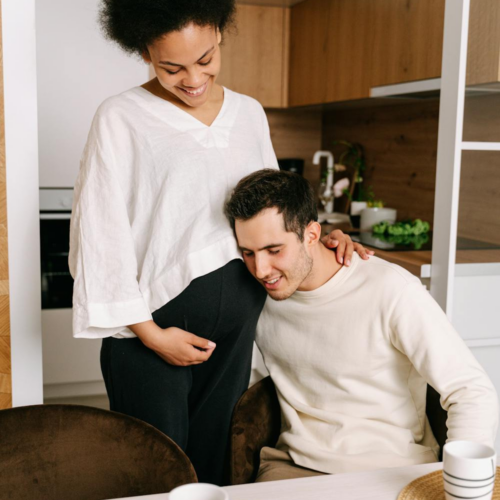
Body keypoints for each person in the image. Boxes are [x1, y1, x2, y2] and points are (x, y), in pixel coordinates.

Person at [68, 0, 371, 485]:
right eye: (172, 67)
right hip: (152, 332)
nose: (192, 79)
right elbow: (101, 233)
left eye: (205, 59)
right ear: (144, 51)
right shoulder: (121, 117)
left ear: (220, 37)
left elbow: (275, 204)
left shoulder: (248, 113)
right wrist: (150, 335)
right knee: (155, 471)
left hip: (234, 332)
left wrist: (319, 235)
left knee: (216, 467)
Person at [225, 169, 499, 482]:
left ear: (312, 235)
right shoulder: (255, 297)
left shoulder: (390, 290)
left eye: (274, 250)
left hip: (393, 468)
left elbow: (471, 390)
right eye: (248, 253)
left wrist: (461, 483)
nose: (261, 269)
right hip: (294, 467)